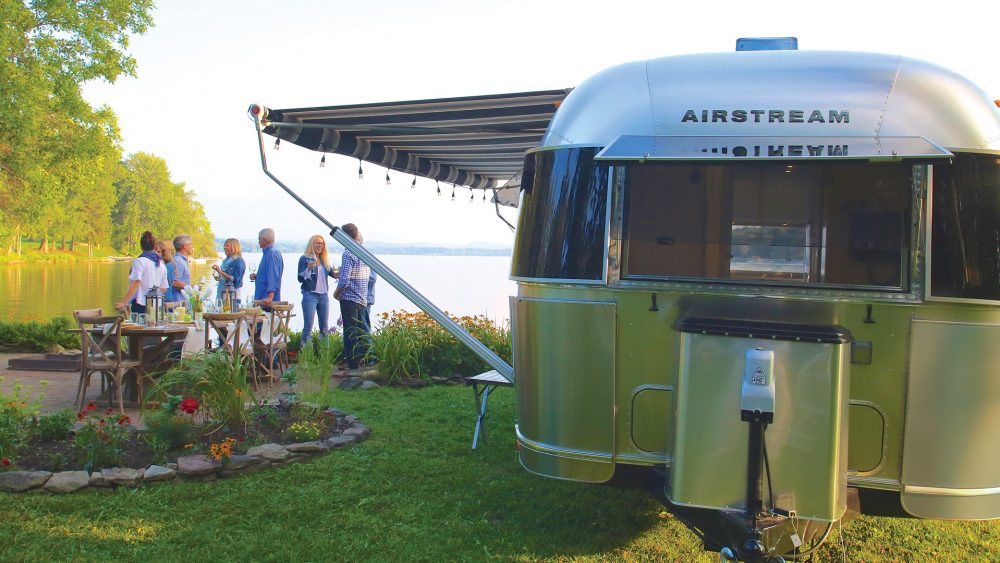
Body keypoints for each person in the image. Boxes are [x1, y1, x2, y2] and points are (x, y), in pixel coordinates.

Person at [333, 223, 372, 372]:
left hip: (349, 299)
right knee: (362, 332)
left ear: (344, 236)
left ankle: (353, 366)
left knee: (350, 333)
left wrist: (336, 294)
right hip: (362, 297)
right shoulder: (363, 251)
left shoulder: (348, 253)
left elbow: (344, 281)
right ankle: (365, 361)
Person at [115, 231, 168, 313]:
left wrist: (124, 302)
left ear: (141, 246)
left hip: (141, 304)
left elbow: (136, 282)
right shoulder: (162, 265)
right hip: (156, 304)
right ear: (155, 247)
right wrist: (153, 293)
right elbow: (164, 288)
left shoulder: (140, 261)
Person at [297, 235, 336, 345]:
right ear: (311, 244)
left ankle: (324, 352)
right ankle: (306, 351)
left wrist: (340, 273)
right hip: (310, 294)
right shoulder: (304, 259)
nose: (320, 245)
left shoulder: (324, 259)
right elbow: (300, 279)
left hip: (324, 296)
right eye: (317, 243)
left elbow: (333, 274)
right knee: (308, 325)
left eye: (322, 243)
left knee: (324, 326)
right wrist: (308, 268)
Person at [250, 227, 283, 308]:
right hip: (262, 298)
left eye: (259, 239)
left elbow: (273, 275)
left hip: (266, 302)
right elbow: (268, 274)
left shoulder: (271, 253)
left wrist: (270, 297)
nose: (258, 241)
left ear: (264, 239)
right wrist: (258, 276)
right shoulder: (270, 252)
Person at [213, 238, 246, 304]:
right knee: (219, 309)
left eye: (227, 245)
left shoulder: (239, 261)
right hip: (221, 291)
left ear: (234, 247)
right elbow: (225, 277)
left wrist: (220, 271)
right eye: (224, 245)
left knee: (231, 310)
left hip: (232, 295)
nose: (224, 247)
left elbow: (234, 279)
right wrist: (219, 277)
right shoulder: (226, 260)